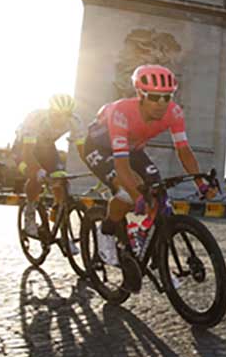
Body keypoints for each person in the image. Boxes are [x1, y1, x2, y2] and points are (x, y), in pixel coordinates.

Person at [81, 65, 209, 265]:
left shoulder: (174, 112)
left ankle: (145, 240)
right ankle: (106, 231)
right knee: (127, 191)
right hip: (99, 148)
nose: (161, 104)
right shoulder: (121, 112)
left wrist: (201, 183)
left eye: (167, 97)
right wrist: (136, 196)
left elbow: (183, 150)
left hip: (132, 149)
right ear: (140, 95)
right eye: (154, 97)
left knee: (158, 189)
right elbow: (122, 165)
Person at [15, 94, 86, 237]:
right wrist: (38, 170)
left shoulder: (75, 121)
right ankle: (29, 214)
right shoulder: (36, 119)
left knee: (61, 180)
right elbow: (27, 153)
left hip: (47, 147)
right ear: (50, 111)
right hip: (24, 147)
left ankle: (57, 217)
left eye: (66, 115)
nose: (61, 119)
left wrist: (95, 169)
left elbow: (83, 151)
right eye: (57, 115)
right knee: (35, 176)